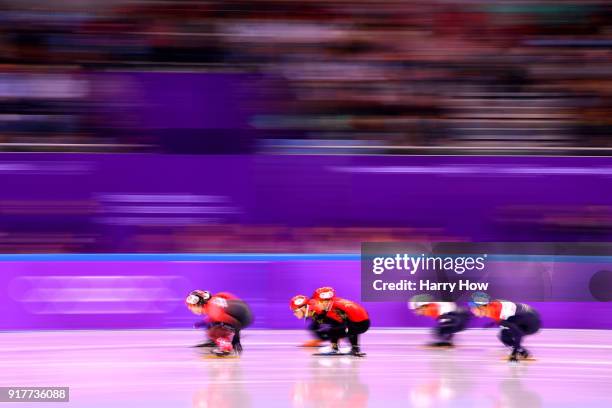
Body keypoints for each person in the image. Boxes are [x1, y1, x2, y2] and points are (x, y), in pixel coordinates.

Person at [469, 292, 541, 362]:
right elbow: (510, 315)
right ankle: (523, 353)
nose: (473, 312)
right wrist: (493, 323)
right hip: (530, 315)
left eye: (473, 309)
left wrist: (514, 354)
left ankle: (523, 353)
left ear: (481, 307)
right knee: (504, 333)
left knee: (505, 337)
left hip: (531, 325)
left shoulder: (499, 314)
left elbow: (518, 334)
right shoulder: (493, 304)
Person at [185, 290, 253, 357]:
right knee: (211, 324)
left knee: (213, 332)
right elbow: (226, 296)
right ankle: (216, 341)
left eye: (192, 306)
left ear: (199, 304)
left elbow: (236, 324)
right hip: (242, 309)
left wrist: (236, 340)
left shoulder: (214, 312)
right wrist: (204, 322)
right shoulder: (214, 300)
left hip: (242, 319)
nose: (190, 308)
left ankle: (226, 348)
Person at [309, 286, 370, 357]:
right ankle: (353, 349)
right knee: (337, 328)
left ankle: (338, 349)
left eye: (320, 302)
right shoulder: (334, 302)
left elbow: (347, 323)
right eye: (321, 301)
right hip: (363, 321)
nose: (322, 304)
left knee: (334, 330)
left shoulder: (336, 307)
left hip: (360, 324)